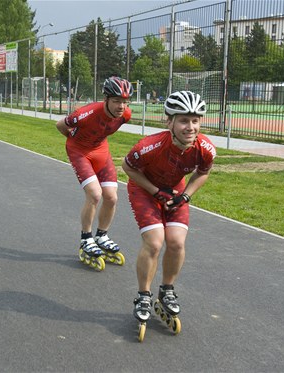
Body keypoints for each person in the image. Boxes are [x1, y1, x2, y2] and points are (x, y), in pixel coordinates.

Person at [122, 91, 216, 324]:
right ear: (169, 121)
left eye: (195, 121)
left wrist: (185, 196)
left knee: (176, 241)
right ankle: (144, 295)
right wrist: (155, 191)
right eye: (184, 120)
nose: (190, 127)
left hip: (175, 191)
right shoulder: (150, 146)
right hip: (144, 190)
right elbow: (127, 167)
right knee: (154, 242)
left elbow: (203, 173)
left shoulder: (205, 148)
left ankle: (167, 290)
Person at [56, 76, 133, 263]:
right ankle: (86, 238)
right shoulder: (86, 113)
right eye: (116, 101)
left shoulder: (125, 116)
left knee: (112, 197)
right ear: (105, 99)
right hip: (79, 151)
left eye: (124, 102)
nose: (121, 106)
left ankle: (101, 235)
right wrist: (74, 139)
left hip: (100, 151)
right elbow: (60, 125)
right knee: (94, 194)